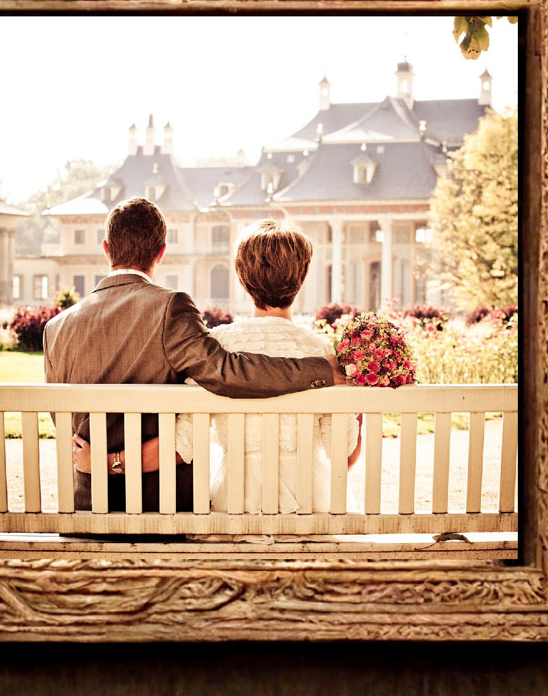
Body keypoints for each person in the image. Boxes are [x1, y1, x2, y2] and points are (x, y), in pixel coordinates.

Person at [43, 198, 345, 512]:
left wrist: (102, 462)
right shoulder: (170, 307)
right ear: (161, 252)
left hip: (87, 506)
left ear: (106, 249)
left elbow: (64, 424)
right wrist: (321, 371)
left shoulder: (55, 328)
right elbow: (226, 373)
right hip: (161, 507)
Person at [175, 219, 361, 513]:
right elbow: (343, 456)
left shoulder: (217, 348)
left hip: (237, 503)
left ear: (242, 277)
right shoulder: (320, 350)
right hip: (309, 503)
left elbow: (182, 446)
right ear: (301, 277)